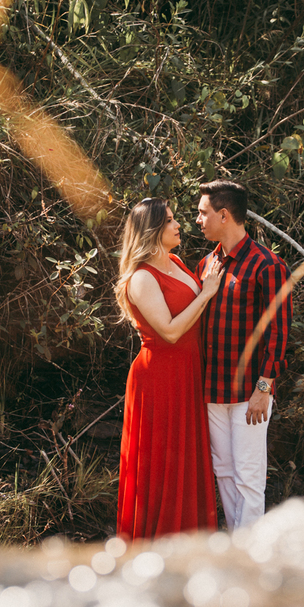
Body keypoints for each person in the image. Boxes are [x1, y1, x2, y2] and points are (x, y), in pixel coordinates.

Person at [114, 197, 225, 539]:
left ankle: (190, 538)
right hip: (160, 377)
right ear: (153, 230)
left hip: (187, 370)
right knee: (164, 462)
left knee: (187, 459)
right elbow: (171, 331)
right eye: (171, 221)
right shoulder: (142, 279)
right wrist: (206, 294)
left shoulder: (175, 261)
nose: (179, 225)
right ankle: (156, 541)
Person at [196, 180, 291, 530]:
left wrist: (263, 389)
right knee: (223, 471)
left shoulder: (268, 265)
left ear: (224, 215)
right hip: (211, 391)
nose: (198, 220)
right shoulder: (206, 264)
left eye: (203, 213)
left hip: (249, 392)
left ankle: (251, 554)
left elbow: (279, 332)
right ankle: (239, 545)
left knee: (249, 475)